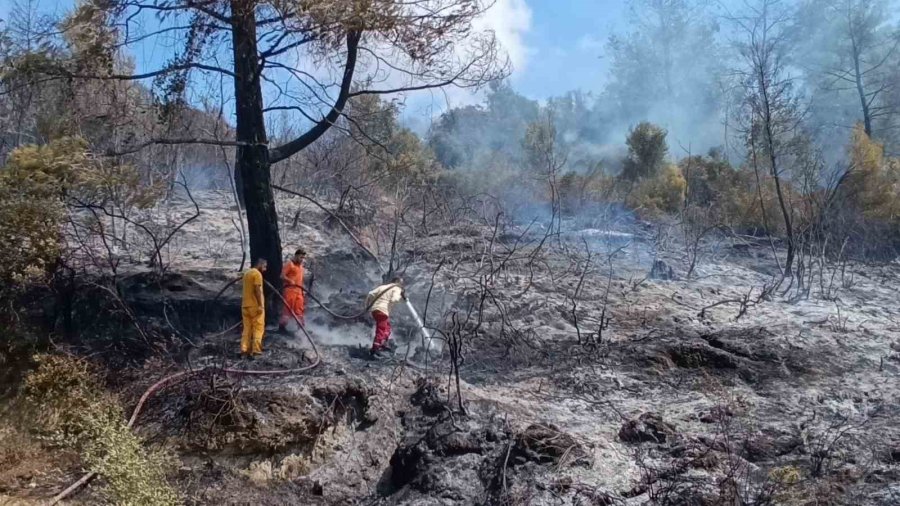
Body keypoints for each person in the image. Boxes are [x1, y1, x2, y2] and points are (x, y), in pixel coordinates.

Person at [365, 277, 406, 358]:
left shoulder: (382, 287)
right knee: (381, 329)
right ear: (397, 282)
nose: (402, 285)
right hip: (383, 311)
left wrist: (367, 306)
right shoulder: (396, 288)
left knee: (387, 327)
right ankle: (375, 348)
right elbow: (394, 299)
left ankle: (382, 343)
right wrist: (401, 296)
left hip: (375, 310)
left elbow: (370, 294)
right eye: (401, 283)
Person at [241, 258, 267, 358]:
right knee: (258, 328)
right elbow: (257, 290)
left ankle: (244, 350)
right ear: (260, 264)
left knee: (247, 328)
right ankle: (256, 351)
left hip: (245, 305)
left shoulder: (246, 273)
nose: (265, 269)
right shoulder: (257, 274)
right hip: (255, 306)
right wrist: (260, 305)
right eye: (264, 266)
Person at [279, 248, 307, 332]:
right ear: (296, 256)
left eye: (303, 258)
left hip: (299, 292)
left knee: (299, 310)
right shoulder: (289, 264)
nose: (302, 259)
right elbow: (282, 276)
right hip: (290, 291)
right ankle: (282, 328)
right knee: (288, 310)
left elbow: (300, 279)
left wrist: (303, 291)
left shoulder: (301, 267)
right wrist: (289, 280)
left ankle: (301, 330)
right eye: (300, 257)